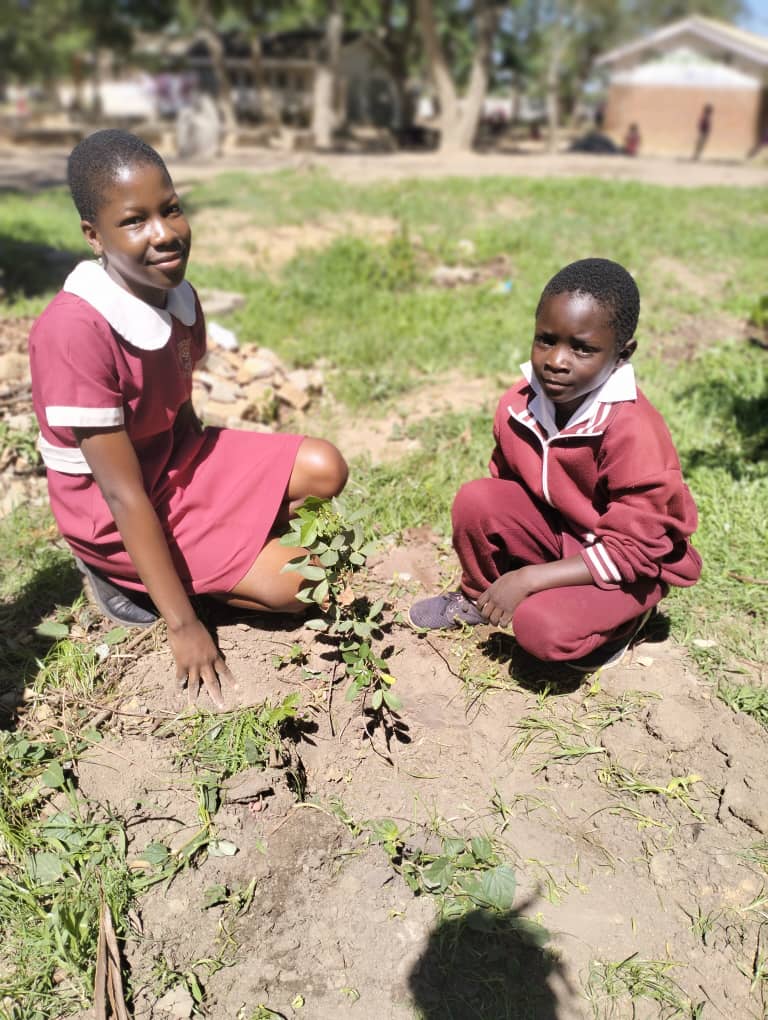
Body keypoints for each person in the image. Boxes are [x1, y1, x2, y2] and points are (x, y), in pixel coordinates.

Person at [29, 129, 348, 707]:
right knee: (302, 582)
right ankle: (125, 581)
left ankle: (215, 552)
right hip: (113, 509)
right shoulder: (77, 331)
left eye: (170, 209)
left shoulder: (177, 297)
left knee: (325, 466)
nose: (165, 233)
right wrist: (183, 626)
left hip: (175, 464)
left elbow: (179, 409)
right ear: (93, 236)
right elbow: (123, 496)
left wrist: (222, 482)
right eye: (135, 221)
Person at [409, 258, 702, 672]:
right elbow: (506, 494)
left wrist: (530, 580)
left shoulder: (632, 430)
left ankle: (628, 619)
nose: (557, 361)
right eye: (546, 340)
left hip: (628, 565)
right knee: (477, 499)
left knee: (540, 629)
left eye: (582, 348)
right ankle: (478, 597)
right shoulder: (519, 404)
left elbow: (636, 546)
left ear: (623, 352)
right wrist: (515, 570)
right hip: (564, 539)